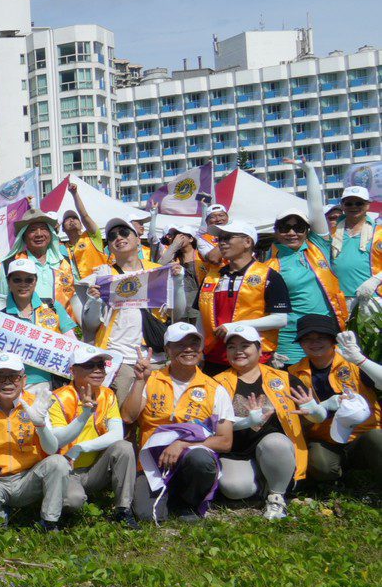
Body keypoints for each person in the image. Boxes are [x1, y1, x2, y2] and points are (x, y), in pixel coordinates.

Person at [121, 324, 232, 523]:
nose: (188, 349)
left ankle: (187, 502)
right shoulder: (151, 379)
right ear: (168, 350)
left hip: (190, 458)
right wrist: (139, 381)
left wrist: (183, 445)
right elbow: (128, 417)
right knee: (147, 516)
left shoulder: (215, 389)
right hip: (151, 463)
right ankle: (167, 498)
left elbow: (225, 441)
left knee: (201, 460)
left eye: (194, 343)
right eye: (180, 344)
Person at [77, 216, 185, 405]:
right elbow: (91, 324)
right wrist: (94, 300)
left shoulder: (157, 271)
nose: (118, 237)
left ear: (137, 239)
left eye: (125, 232)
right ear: (109, 246)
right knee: (126, 417)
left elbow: (178, 313)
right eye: (112, 236)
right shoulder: (102, 276)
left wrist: (178, 282)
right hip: (119, 359)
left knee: (156, 416)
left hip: (155, 357)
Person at [0, 354, 74, 530]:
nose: (7, 382)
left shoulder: (36, 403)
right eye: (0, 376)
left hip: (29, 477)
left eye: (13, 376)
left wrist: (40, 424)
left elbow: (52, 449)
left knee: (58, 463)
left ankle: (49, 522)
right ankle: (0, 513)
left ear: (23, 380)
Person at [213, 325, 303, 520]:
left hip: (273, 449)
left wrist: (317, 412)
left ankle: (277, 496)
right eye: (232, 347)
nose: (238, 351)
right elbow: (211, 425)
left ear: (260, 349)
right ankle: (265, 480)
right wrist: (245, 421)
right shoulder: (216, 383)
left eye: (245, 345)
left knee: (275, 442)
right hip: (238, 452)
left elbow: (310, 414)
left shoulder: (284, 379)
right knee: (235, 489)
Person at [262, 163, 347, 366]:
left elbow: (316, 208)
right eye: (285, 227)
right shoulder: (269, 265)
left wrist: (309, 172)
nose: (292, 233)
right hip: (291, 339)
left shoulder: (318, 246)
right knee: (296, 390)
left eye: (299, 227)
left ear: (307, 230)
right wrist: (267, 348)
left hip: (327, 332)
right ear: (276, 231)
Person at [289, 315, 382, 484]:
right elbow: (297, 418)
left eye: (321, 337)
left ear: (333, 340)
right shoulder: (294, 374)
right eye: (307, 339)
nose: (314, 343)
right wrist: (319, 409)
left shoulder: (353, 362)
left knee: (377, 438)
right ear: (300, 343)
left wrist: (361, 360)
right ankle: (343, 476)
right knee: (321, 467)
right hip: (325, 439)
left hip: (364, 435)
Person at [49, 352, 138, 526]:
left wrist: (80, 448)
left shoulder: (107, 395)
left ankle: (123, 510)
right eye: (89, 365)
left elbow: (116, 434)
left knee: (124, 447)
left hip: (96, 468)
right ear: (73, 370)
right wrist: (84, 415)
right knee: (73, 501)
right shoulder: (58, 398)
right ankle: (63, 506)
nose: (97, 370)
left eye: (101, 366)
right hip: (68, 470)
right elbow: (58, 439)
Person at [198, 221, 290, 371]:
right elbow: (202, 317)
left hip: (253, 359)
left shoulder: (268, 275)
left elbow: (281, 319)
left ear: (247, 242)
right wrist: (199, 349)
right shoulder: (211, 277)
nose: (221, 243)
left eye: (227, 238)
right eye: (219, 239)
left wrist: (235, 327)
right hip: (214, 358)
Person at [0, 258, 77, 398]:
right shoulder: (1, 317)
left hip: (52, 384)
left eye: (29, 280)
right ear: (9, 282)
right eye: (17, 280)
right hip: (14, 386)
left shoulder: (53, 307)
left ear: (35, 281)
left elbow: (72, 343)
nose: (23, 284)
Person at [9, 211, 77, 311]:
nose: (39, 234)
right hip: (27, 323)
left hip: (62, 323)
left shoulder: (65, 261)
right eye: (32, 230)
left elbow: (76, 294)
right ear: (23, 236)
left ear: (51, 234)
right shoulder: (11, 263)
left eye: (44, 229)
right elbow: (1, 298)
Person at [331, 184, 382, 310]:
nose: (354, 207)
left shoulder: (379, 232)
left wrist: (375, 280)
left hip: (372, 297)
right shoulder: (332, 232)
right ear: (342, 206)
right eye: (349, 203)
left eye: (359, 203)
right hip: (338, 299)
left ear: (367, 205)